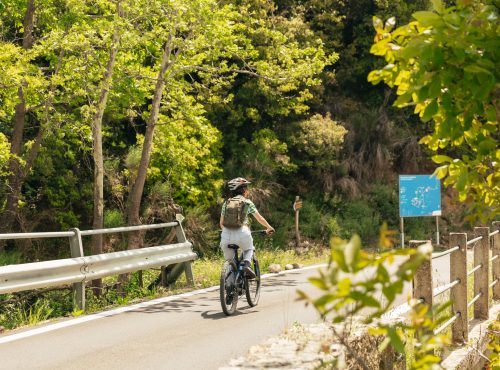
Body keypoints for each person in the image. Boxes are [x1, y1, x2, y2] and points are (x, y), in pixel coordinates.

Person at [220, 177, 274, 278]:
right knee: (249, 249)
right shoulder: (247, 202)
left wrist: (228, 232)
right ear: (244, 190)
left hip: (226, 235)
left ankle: (229, 288)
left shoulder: (226, 203)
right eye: (247, 188)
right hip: (243, 233)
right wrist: (269, 227)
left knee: (230, 264)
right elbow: (260, 218)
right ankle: (246, 265)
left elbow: (221, 223)